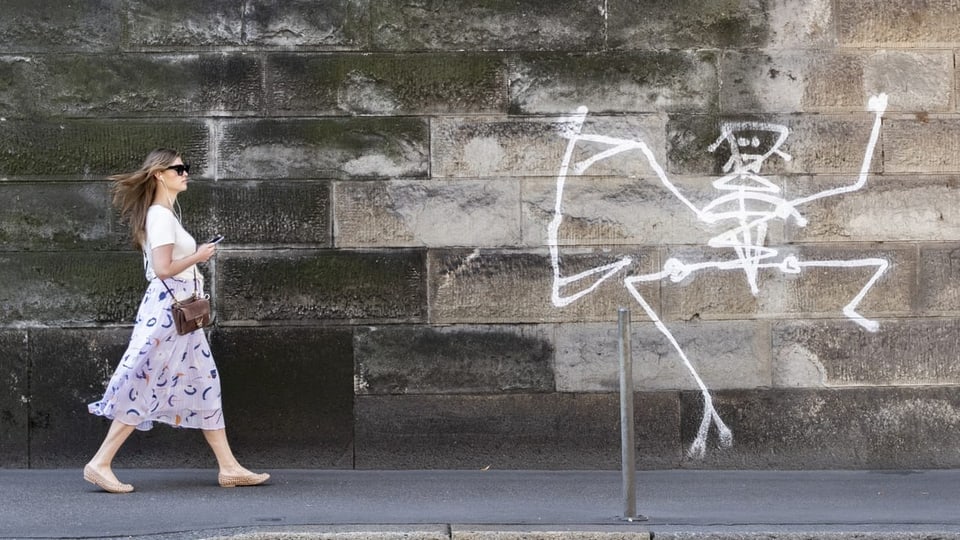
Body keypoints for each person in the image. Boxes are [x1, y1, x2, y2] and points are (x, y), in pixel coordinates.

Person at [84, 149, 269, 493]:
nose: (186, 173)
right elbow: (162, 269)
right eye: (179, 169)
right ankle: (100, 462)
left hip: (180, 313)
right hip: (170, 314)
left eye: (186, 168)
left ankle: (229, 467)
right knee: (144, 381)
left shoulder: (165, 214)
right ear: (159, 174)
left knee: (205, 382)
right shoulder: (159, 215)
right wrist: (200, 255)